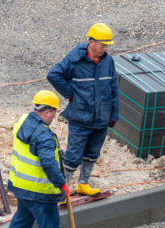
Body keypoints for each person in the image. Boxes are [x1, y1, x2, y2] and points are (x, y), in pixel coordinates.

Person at [3, 91, 82, 228]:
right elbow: (48, 164)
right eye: (54, 111)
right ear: (46, 111)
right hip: (40, 192)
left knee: (21, 220)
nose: (55, 115)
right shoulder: (45, 136)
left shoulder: (22, 121)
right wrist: (61, 184)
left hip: (21, 186)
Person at [47, 23, 119, 197]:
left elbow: (113, 88)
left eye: (107, 44)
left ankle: (83, 184)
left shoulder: (108, 61)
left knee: (92, 153)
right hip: (81, 117)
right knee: (72, 156)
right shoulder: (75, 60)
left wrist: (113, 114)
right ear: (91, 42)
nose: (105, 48)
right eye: (102, 44)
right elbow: (53, 75)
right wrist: (71, 94)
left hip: (101, 118)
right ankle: (63, 191)